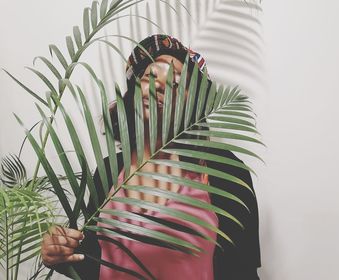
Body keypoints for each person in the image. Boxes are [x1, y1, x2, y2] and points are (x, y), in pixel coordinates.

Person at [41, 34, 261, 279]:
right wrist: (59, 255)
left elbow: (243, 271)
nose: (158, 86)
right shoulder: (109, 172)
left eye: (175, 83)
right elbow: (99, 265)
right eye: (149, 77)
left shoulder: (226, 173)